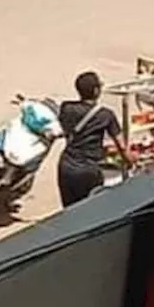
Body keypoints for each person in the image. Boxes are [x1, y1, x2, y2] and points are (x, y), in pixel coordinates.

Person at [56, 71, 130, 207]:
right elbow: (122, 147)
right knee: (90, 209)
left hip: (66, 167)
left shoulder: (66, 108)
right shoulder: (106, 115)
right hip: (88, 171)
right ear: (96, 91)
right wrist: (130, 162)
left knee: (69, 210)